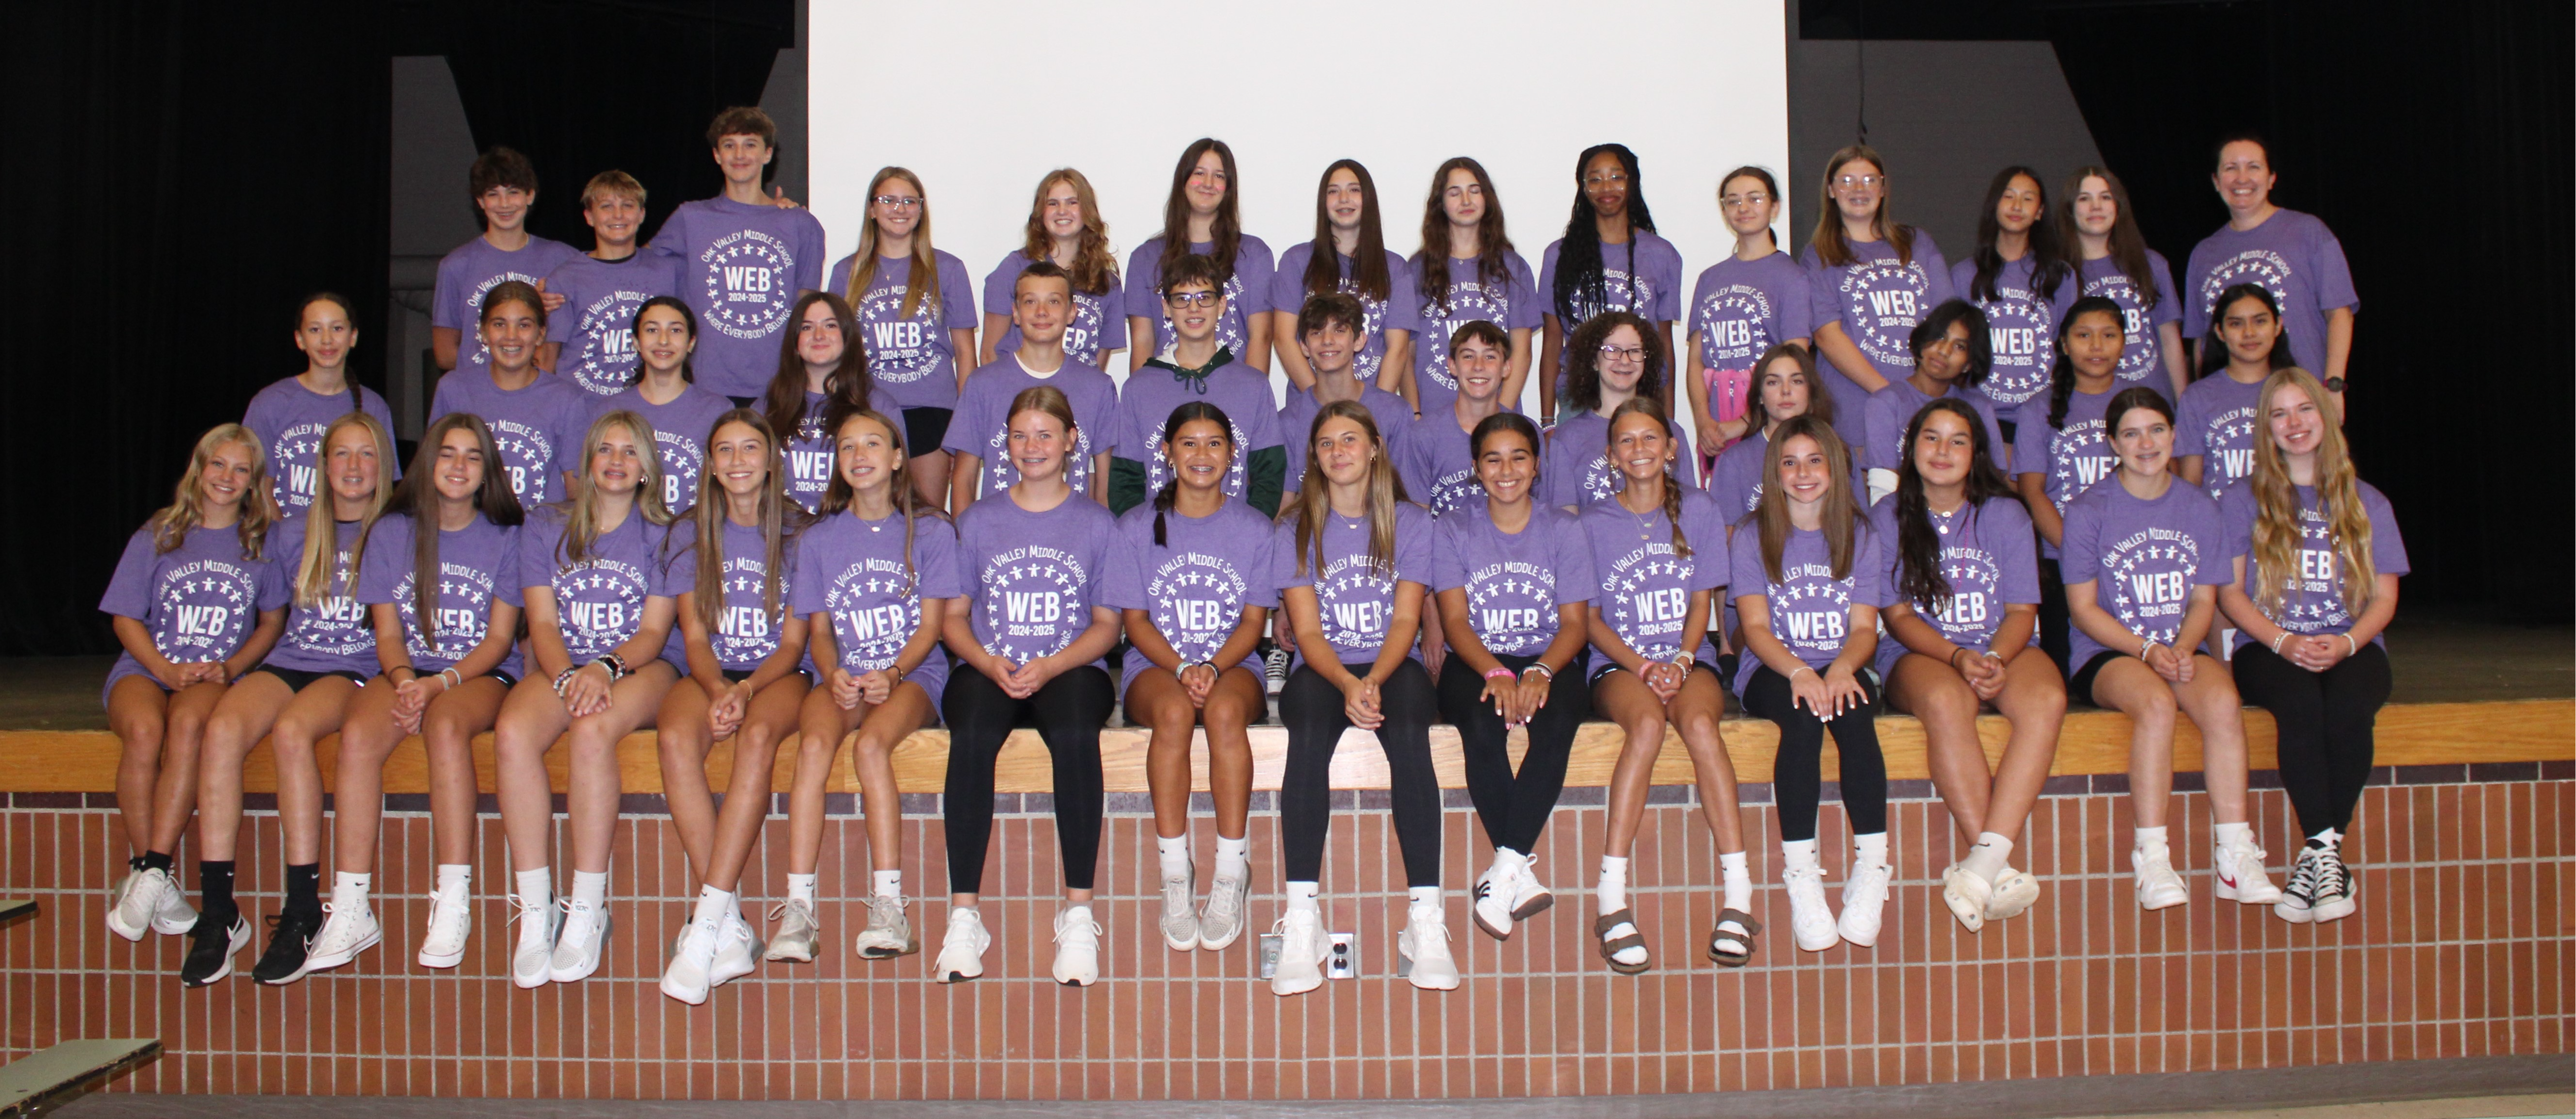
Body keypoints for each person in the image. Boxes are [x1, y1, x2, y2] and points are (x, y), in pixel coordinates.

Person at [187, 413, 394, 986]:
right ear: (323, 466)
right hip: (291, 659)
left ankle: (303, 907)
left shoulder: (397, 529)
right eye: (342, 455)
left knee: (293, 731)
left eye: (367, 454)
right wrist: (226, 664)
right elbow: (273, 618)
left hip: (353, 667)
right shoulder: (291, 531)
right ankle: (218, 909)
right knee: (223, 728)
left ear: (384, 466)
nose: (354, 467)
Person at [2060, 387, 2279, 912]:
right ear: (2112, 442)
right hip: (2109, 650)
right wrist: (2148, 649)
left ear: (2174, 434)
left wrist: (2181, 646)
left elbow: (2206, 597)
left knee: (2223, 703)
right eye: (2131, 433)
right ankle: (2153, 857)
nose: (2146, 442)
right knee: (2156, 705)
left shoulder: (2200, 505)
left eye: (2156, 429)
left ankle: (2236, 853)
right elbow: (2084, 609)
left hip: (2178, 645)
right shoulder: (2089, 510)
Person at [936, 386, 1122, 986]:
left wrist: (1052, 664)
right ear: (1005, 445)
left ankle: (1078, 912)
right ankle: (965, 915)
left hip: (1069, 669)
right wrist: (989, 661)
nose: (1032, 446)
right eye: (1020, 435)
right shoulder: (979, 518)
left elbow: (1108, 625)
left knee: (1074, 733)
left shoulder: (1097, 522)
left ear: (1072, 440)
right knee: (970, 734)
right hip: (990, 667)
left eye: (1046, 434)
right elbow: (953, 617)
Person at [1269, 401, 1455, 994]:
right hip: (1325, 666)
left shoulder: (1411, 521)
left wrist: (1373, 675)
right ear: (1315, 457)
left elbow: (1407, 617)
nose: (1338, 452)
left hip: (1389, 660)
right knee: (1305, 732)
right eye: (1326, 443)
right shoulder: (1294, 527)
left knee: (1408, 732)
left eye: (1350, 439)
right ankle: (1304, 917)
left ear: (1375, 447)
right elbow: (1309, 631)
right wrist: (1349, 683)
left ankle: (1424, 917)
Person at [493, 410, 681, 988]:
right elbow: (543, 624)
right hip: (567, 665)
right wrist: (567, 679)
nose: (617, 461)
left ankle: (587, 904)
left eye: (630, 451)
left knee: (594, 730)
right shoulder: (546, 523)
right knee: (513, 731)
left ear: (648, 466)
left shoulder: (668, 532)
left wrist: (604, 668)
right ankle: (534, 906)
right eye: (606, 449)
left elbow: (653, 632)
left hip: (642, 665)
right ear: (588, 461)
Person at [335, 413, 526, 973]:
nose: (459, 466)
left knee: (445, 725)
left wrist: (438, 684)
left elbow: (498, 639)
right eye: (447, 453)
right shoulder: (392, 531)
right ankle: (350, 905)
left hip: (477, 675)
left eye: (472, 456)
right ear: (427, 463)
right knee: (357, 735)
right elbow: (388, 634)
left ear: (488, 470)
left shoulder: (507, 536)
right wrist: (403, 681)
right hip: (407, 671)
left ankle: (453, 897)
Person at [2218, 368, 2404, 924]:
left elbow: (2385, 596)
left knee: (2350, 707)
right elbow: (2229, 593)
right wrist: (2282, 640)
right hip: (2267, 646)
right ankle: (2327, 855)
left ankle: (2319, 852)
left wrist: (2347, 642)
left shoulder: (2367, 500)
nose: (2294, 423)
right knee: (2300, 706)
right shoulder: (2240, 498)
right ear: (2266, 428)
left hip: (2352, 643)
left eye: (2304, 409)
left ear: (2326, 417)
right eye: (2280, 413)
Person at [1578, 397, 1753, 971]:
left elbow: (1702, 599)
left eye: (1650, 438)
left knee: (1702, 723)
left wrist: (1680, 657)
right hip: (1620, 666)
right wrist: (1644, 666)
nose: (1640, 450)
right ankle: (1611, 899)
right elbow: (1591, 619)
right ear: (1612, 456)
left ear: (1671, 447)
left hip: (1686, 657)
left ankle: (1739, 898)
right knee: (1648, 724)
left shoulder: (1699, 508)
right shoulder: (1594, 522)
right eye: (1626, 441)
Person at [1874, 398, 2062, 932]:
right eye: (1931, 437)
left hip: (2002, 644)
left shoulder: (2005, 513)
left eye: (1958, 440)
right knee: (1945, 699)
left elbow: (2023, 610)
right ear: (1911, 449)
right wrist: (1957, 656)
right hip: (1920, 652)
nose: (1943, 451)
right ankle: (1994, 869)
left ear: (1976, 451)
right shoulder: (1888, 516)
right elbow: (1897, 612)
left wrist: (1996, 656)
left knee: (2048, 699)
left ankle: (1980, 865)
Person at [777, 409, 958, 964]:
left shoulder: (930, 529)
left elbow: (931, 627)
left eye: (873, 443)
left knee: (872, 745)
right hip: (844, 674)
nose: (859, 455)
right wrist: (833, 673)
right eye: (848, 446)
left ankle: (888, 906)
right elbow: (820, 631)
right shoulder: (819, 538)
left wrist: (895, 674)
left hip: (913, 674)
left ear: (898, 457)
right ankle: (798, 908)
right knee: (813, 746)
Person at [100, 425, 286, 957]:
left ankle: (153, 871)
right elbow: (125, 616)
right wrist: (161, 665)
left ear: (254, 481)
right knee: (143, 729)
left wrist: (231, 666)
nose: (227, 477)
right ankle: (151, 874)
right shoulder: (161, 532)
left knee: (187, 725)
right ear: (199, 469)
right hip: (146, 662)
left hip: (211, 674)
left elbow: (272, 621)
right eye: (218, 465)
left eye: (241, 469)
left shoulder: (260, 542)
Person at [1105, 403, 1276, 957]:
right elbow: (1134, 622)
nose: (1202, 456)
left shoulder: (1253, 527)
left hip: (1233, 665)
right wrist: (1182, 667)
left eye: (1214, 444)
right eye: (1188, 443)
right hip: (1157, 667)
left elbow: (1255, 622)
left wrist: (1214, 666)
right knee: (1175, 713)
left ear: (1232, 454)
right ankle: (1175, 870)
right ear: (1168, 452)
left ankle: (1231, 869)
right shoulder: (1136, 527)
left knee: (1225, 713)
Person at [656, 410, 813, 1003]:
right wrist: (719, 685)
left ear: (772, 459)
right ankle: (730, 921)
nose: (739, 460)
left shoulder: (801, 531)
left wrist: (744, 691)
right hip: (712, 672)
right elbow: (696, 639)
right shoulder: (688, 531)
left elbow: (795, 644)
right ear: (711, 463)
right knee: (673, 738)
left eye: (751, 448)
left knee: (754, 739)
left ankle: (704, 928)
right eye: (725, 450)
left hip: (778, 675)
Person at [1429, 413, 1595, 942]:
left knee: (1559, 721)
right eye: (1493, 458)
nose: (1507, 469)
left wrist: (1543, 669)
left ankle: (1501, 872)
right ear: (1476, 468)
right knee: (1482, 726)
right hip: (1478, 657)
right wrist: (1497, 671)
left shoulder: (1564, 528)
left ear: (1537, 465)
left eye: (1519, 456)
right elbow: (1454, 621)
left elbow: (1576, 623)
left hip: (1550, 654)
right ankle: (1517, 874)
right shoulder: (1454, 527)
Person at [1728, 415, 1890, 952]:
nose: (1803, 473)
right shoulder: (1754, 534)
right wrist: (1799, 671)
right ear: (1775, 472)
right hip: (1772, 668)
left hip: (1842, 661)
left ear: (1835, 468)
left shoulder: (1861, 533)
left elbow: (1865, 628)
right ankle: (1801, 873)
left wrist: (1842, 668)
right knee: (1801, 718)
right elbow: (1752, 628)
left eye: (1814, 460)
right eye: (1790, 462)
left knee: (1854, 711)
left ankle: (1872, 867)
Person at [648, 107, 827, 402]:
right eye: (729, 145)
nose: (740, 155)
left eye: (751, 145)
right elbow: (635, 266)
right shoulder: (691, 218)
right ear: (717, 156)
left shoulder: (800, 225)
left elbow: (806, 309)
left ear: (768, 154)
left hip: (778, 385)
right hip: (705, 384)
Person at [830, 166, 977, 507]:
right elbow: (836, 356)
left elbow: (965, 354)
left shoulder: (948, 269)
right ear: (871, 209)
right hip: (868, 411)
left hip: (933, 413)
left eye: (910, 201)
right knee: (871, 515)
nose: (900, 209)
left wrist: (963, 427)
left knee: (927, 519)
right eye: (889, 200)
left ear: (921, 210)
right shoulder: (845, 273)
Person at [2184, 134, 2357, 407]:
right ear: (2216, 182)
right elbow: (2201, 343)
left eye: (2253, 167)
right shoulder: (2204, 254)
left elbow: (2340, 315)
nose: (2242, 178)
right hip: (2232, 411)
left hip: (2301, 404)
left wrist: (2333, 387)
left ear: (2272, 177)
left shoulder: (2308, 232)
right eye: (2231, 168)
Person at [1109, 254, 1286, 517]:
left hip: (1232, 538)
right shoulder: (1138, 387)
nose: (1194, 309)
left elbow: (1269, 476)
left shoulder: (1253, 385)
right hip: (1159, 539)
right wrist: (1143, 533)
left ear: (1222, 304)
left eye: (1205, 297)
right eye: (1182, 299)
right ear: (1166, 308)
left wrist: (1249, 530)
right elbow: (1126, 480)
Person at [1801, 145, 1954, 448]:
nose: (1859, 189)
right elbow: (1827, 336)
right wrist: (1892, 396)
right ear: (1831, 190)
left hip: (1927, 408)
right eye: (1846, 181)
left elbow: (1948, 322)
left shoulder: (1917, 243)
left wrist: (1921, 393)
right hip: (1856, 413)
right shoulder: (1818, 255)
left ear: (1883, 189)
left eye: (1870, 180)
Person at [945, 263, 1118, 508]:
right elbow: (963, 479)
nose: (1042, 312)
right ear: (1015, 313)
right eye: (1030, 302)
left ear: (1072, 312)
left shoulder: (1098, 387)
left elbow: (1106, 484)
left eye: (1054, 302)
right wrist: (963, 541)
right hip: (998, 536)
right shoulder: (983, 384)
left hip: (1073, 538)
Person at [2015, 297, 2128, 672]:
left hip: (2131, 562)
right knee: (2068, 673)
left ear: (2123, 342)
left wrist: (2112, 556)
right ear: (2064, 344)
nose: (2096, 347)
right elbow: (2032, 491)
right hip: (2059, 559)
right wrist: (2079, 552)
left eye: (2108, 335)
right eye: (2083, 335)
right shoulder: (2038, 408)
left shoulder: (2140, 403)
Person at [1687, 166, 1813, 479]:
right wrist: (1704, 421)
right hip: (1717, 417)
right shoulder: (1709, 278)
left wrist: (1745, 422)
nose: (1743, 208)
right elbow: (1695, 360)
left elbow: (1795, 358)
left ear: (1774, 207)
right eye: (1733, 201)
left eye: (1754, 199)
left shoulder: (1792, 277)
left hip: (1768, 414)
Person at [1540, 144, 1682, 420]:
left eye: (1617, 177)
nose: (1607, 188)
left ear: (1632, 183)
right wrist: (1547, 422)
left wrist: (1669, 420)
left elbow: (1665, 342)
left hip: (1641, 396)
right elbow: (1553, 339)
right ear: (1583, 188)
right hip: (1577, 399)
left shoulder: (1661, 254)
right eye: (1595, 179)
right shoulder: (1558, 256)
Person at [1408, 157, 1542, 419]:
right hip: (1435, 418)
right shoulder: (1416, 270)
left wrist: (1500, 413)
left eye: (1474, 190)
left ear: (1487, 198)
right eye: (1454, 193)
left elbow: (1522, 352)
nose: (1466, 201)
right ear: (1441, 204)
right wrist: (1416, 413)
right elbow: (1406, 354)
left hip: (1498, 420)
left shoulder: (1513, 268)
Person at [429, 281, 585, 506]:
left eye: (524, 326)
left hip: (538, 536)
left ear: (541, 335)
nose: (511, 336)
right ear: (483, 332)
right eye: (500, 324)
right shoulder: (453, 389)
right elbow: (432, 475)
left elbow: (577, 494)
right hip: (473, 535)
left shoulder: (567, 399)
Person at [1271, 160, 1415, 401]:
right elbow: (1284, 340)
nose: (1344, 198)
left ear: (1368, 199)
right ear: (1323, 202)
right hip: (1310, 409)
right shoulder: (1296, 261)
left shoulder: (1395, 268)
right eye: (1333, 191)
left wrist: (1373, 410)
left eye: (1354, 190)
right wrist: (1322, 405)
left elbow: (1398, 349)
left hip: (1371, 413)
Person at [1125, 139, 1273, 372]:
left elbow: (1261, 337)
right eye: (1199, 173)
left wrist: (1249, 398)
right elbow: (1142, 342)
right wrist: (1144, 399)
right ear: (1183, 181)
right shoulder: (1145, 259)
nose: (1208, 183)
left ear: (1229, 187)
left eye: (1219, 176)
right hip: (1167, 391)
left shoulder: (1255, 255)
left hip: (1232, 390)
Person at [431, 146, 579, 375]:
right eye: (493, 194)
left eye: (513, 192)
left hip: (542, 396)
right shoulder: (456, 266)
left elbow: (580, 341)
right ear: (480, 201)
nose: (504, 204)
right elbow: (444, 354)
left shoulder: (564, 260)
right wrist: (504, 372)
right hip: (479, 400)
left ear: (530, 196)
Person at [244, 293, 396, 514]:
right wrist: (285, 542)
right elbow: (259, 488)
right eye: (315, 330)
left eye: (337, 329)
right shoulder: (270, 403)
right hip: (285, 544)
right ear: (300, 339)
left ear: (353, 337)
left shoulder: (374, 407)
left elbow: (383, 489)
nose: (327, 339)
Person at [584, 296, 732, 511]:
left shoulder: (718, 411)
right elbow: (591, 489)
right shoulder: (608, 411)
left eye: (675, 331)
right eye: (652, 330)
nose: (664, 341)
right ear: (636, 342)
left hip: (694, 539)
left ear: (691, 343)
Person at [542, 170, 682, 396]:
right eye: (606, 206)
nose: (618, 215)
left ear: (642, 214)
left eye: (627, 206)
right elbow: (548, 359)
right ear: (589, 216)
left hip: (648, 407)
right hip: (585, 410)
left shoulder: (667, 271)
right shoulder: (565, 278)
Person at [2055, 166, 2188, 402]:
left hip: (2155, 404)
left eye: (2105, 197)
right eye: (2085, 199)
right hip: (2092, 409)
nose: (2096, 207)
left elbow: (2170, 342)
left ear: (2118, 206)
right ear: (2070, 210)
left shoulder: (2152, 264)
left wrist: (2185, 410)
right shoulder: (2058, 275)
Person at [1952, 167, 2069, 431]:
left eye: (2028, 199)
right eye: (2009, 196)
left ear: (2039, 212)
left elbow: (2067, 347)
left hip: (2043, 417)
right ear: (1994, 205)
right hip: (1980, 417)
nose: (2017, 206)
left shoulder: (2061, 276)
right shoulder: (1963, 274)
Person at [980, 169, 1126, 372]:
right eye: (1053, 203)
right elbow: (989, 354)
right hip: (1021, 397)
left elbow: (1097, 369)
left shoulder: (1107, 282)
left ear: (1088, 210)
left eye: (1072, 202)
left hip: (1077, 398)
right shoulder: (1014, 268)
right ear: (1041, 213)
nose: (1062, 211)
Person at [1861, 300, 2005, 498]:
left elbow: (1991, 479)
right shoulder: (1886, 403)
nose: (1944, 351)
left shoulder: (1979, 408)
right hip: (1903, 517)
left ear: (1968, 364)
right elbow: (1883, 488)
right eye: (1939, 337)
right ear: (1922, 342)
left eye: (1960, 347)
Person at [1543, 312, 1686, 510]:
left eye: (1635, 351)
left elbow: (1689, 509)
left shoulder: (1671, 431)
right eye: (1612, 350)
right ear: (1594, 361)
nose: (1625, 361)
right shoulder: (1568, 437)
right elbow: (1565, 520)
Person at [1280, 294, 1413, 502]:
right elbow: (1284, 505)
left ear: (1359, 340)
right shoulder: (1287, 422)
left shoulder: (1395, 413)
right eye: (1317, 333)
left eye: (1339, 331)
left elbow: (1406, 499)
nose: (1327, 341)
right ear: (1304, 346)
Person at [1706, 343, 1854, 520]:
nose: (1786, 391)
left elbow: (1854, 525)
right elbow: (1725, 538)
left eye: (1797, 381)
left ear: (1811, 391)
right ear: (1760, 396)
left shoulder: (1840, 452)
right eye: (1773, 382)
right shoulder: (1734, 461)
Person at [2177, 283, 2294, 501]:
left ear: (2278, 326)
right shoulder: (2197, 397)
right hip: (2220, 527)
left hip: (2285, 524)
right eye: (2236, 324)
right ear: (2220, 332)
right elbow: (2190, 483)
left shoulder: (2298, 391)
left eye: (2260, 321)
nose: (2249, 333)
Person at [760, 291, 871, 512]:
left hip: (848, 537)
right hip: (782, 536)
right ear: (794, 341)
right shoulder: (766, 408)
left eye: (830, 326)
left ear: (848, 337)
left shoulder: (878, 406)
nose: (819, 335)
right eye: (807, 327)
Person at [1394, 321, 1514, 519]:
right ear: (1452, 365)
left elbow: (1536, 510)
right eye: (1468, 356)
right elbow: (1415, 520)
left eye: (1490, 357)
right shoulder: (1422, 435)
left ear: (1506, 368)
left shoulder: (1525, 433)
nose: (1478, 366)